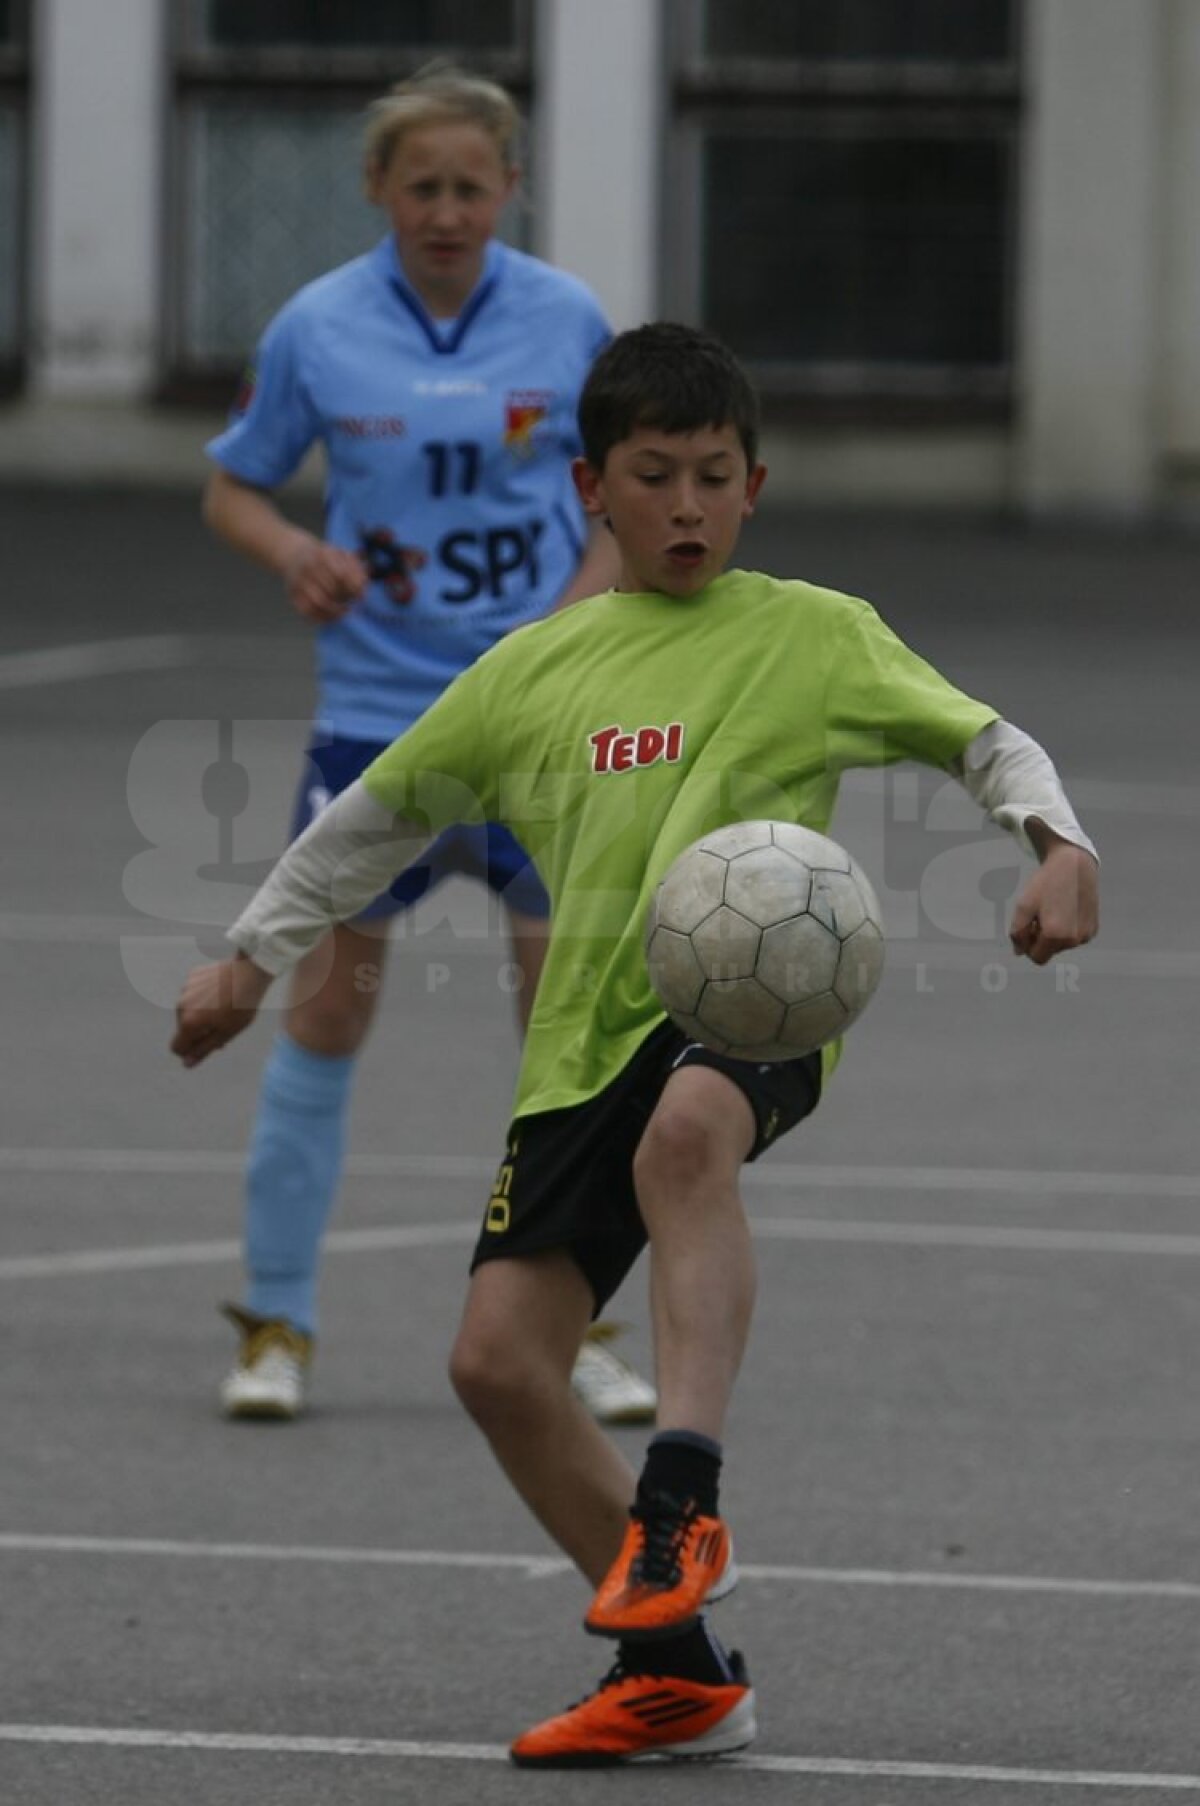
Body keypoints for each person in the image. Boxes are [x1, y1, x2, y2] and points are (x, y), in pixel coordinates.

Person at [174, 322, 1100, 1765]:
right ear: (589, 490)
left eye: (713, 476)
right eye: (654, 475)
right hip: (579, 1050)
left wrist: (1058, 843)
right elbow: (374, 817)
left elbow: (986, 741)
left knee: (689, 1138)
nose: (685, 504)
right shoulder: (531, 673)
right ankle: (678, 1673)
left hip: (756, 1005)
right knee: (495, 1365)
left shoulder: (813, 633)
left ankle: (680, 1493)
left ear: (756, 487)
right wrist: (248, 954)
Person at [201, 65, 655, 1427]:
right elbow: (233, 481)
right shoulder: (319, 326)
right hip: (377, 725)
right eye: (422, 187)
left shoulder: (565, 318)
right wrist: (294, 547)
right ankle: (276, 1320)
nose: (447, 210)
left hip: (538, 728)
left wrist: (580, 615)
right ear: (380, 193)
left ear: (510, 187)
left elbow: (621, 494)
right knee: (328, 1009)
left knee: (566, 1032)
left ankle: (578, 1327)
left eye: (471, 185)